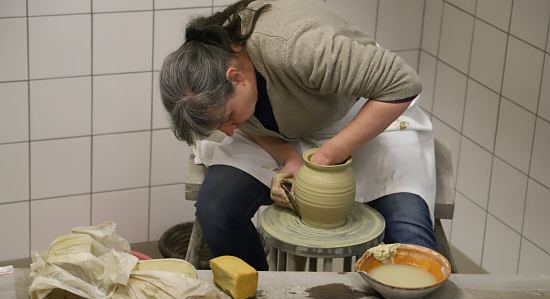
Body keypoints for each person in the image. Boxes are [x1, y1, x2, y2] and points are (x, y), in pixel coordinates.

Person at [159, 0, 438, 271]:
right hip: (280, 131)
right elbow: (243, 123)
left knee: (410, 239)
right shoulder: (206, 58)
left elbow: (403, 84)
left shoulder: (299, 47)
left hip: (365, 113)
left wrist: (326, 157)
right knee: (217, 211)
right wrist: (289, 158)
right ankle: (260, 298)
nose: (229, 131)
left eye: (228, 118)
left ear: (237, 77)